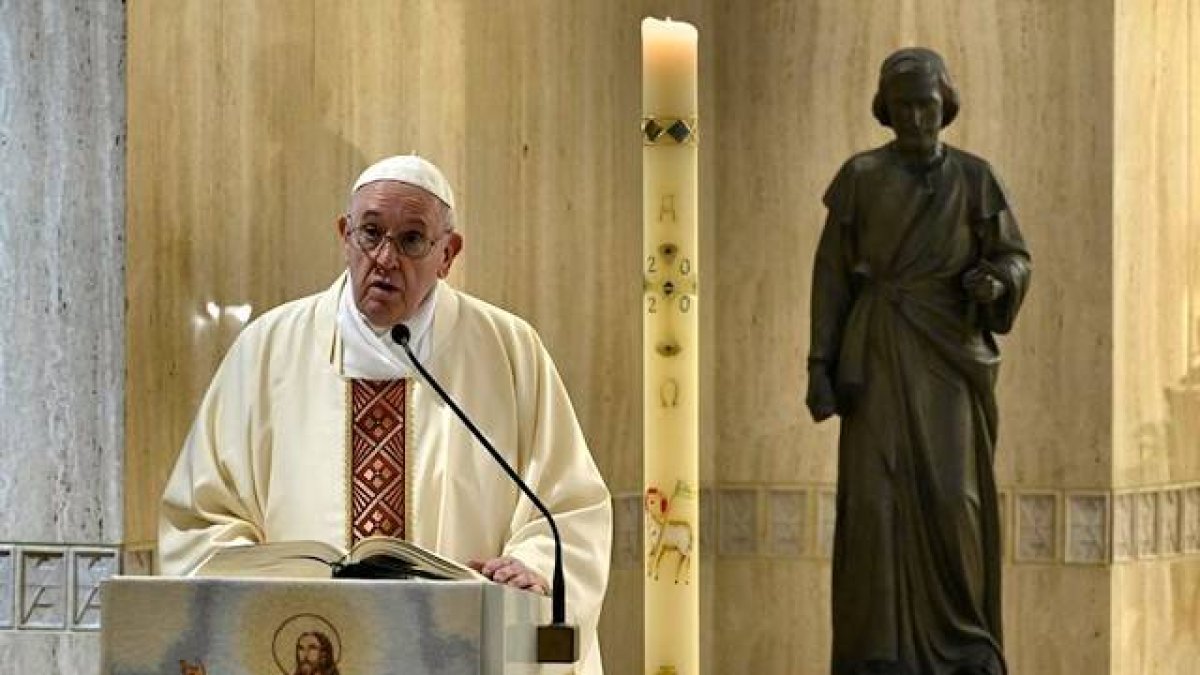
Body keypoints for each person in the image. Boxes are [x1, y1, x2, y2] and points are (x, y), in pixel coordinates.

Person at [159, 155, 612, 674]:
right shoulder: (267, 349)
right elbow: (200, 520)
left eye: (412, 240)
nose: (385, 258)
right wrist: (272, 593)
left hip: (458, 654)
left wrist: (529, 571)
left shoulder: (508, 350)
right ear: (343, 235)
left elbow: (568, 509)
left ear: (449, 254)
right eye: (370, 234)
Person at [806, 49, 1031, 675]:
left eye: (925, 104)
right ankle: (876, 651)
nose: (914, 117)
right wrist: (819, 365)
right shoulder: (860, 177)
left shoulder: (976, 179)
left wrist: (997, 283)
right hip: (876, 357)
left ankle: (964, 646)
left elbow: (1013, 256)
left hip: (949, 358)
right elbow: (830, 278)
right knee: (876, 504)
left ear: (945, 105)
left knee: (954, 499)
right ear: (885, 108)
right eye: (902, 104)